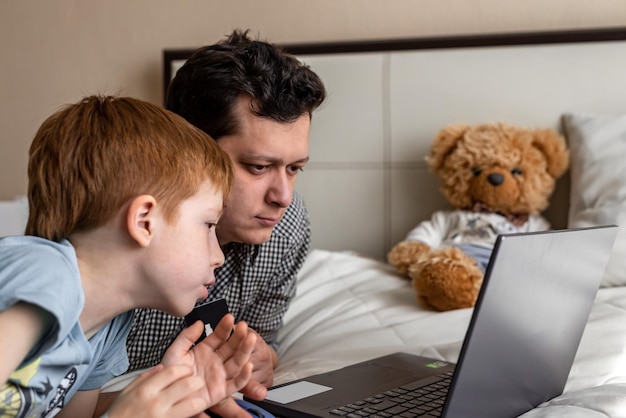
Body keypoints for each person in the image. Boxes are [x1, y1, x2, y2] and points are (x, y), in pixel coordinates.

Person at [98, 29, 327, 417]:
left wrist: (261, 355)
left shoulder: (285, 226)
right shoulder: (112, 241)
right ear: (191, 147)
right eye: (258, 166)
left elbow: (262, 335)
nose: (282, 196)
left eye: (294, 169)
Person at [0, 95, 256, 418]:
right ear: (143, 221)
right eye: (207, 225)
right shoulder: (45, 275)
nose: (218, 255)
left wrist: (169, 395)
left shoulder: (108, 328)